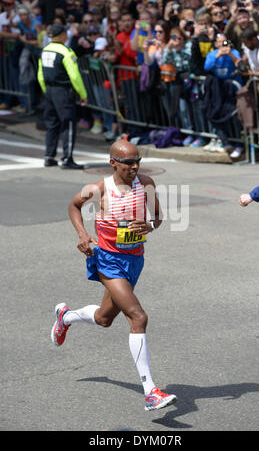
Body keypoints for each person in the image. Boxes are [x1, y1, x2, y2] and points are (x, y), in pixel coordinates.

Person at [50, 139, 177, 412]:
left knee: (104, 319)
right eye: (128, 162)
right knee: (138, 317)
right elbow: (73, 206)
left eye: (137, 161)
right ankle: (150, 391)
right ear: (113, 163)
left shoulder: (146, 184)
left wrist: (149, 226)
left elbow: (158, 217)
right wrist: (83, 235)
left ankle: (66, 316)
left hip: (134, 260)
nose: (134, 166)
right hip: (107, 261)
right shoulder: (99, 189)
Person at [37, 23, 88, 169]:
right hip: (63, 91)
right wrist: (82, 94)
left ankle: (49, 156)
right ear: (61, 35)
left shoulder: (44, 50)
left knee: (51, 124)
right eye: (65, 33)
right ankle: (67, 158)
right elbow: (74, 76)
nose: (67, 36)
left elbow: (40, 74)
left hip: (49, 91)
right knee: (68, 123)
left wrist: (45, 90)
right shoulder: (67, 52)